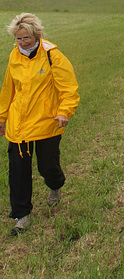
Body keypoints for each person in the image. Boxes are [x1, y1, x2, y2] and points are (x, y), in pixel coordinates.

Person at [0, 13, 79, 236]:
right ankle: (21, 215)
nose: (23, 42)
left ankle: (55, 185)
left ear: (37, 34)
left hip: (47, 123)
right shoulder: (14, 56)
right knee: (17, 171)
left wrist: (64, 112)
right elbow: (8, 90)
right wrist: (2, 117)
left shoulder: (53, 56)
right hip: (19, 125)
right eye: (18, 38)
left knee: (48, 167)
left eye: (26, 38)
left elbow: (69, 89)